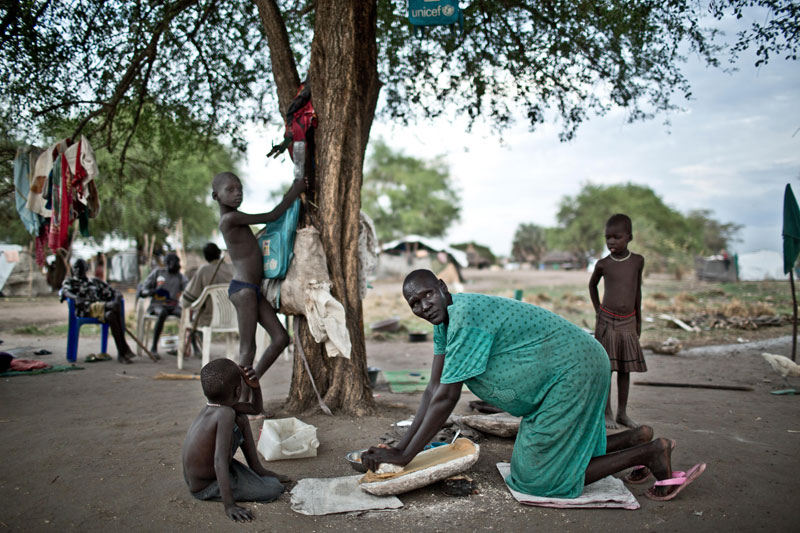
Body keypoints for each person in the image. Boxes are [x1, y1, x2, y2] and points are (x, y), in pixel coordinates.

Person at [361, 270, 705, 502]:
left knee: (538, 479)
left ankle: (651, 452)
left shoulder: (464, 315)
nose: (424, 307)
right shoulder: (445, 322)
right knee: (553, 455)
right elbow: (433, 389)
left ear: (442, 287)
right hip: (561, 377)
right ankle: (635, 437)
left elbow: (447, 397)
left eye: (427, 296)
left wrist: (405, 456)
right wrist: (401, 448)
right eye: (415, 304)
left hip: (575, 370)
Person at [212, 172, 304, 401]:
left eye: (240, 188)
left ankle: (251, 381)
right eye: (230, 189)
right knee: (247, 349)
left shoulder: (234, 218)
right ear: (216, 195)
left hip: (252, 290)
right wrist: (296, 189)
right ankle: (240, 402)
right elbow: (272, 216)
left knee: (281, 338)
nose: (237, 193)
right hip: (243, 290)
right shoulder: (229, 220)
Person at [182, 359, 288, 522]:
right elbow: (219, 461)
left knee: (242, 419)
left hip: (200, 476)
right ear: (238, 390)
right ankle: (251, 481)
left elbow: (255, 409)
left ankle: (258, 470)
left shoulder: (216, 407)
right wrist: (229, 505)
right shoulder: (225, 414)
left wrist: (256, 388)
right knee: (274, 488)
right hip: (206, 486)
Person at [588, 214, 646, 429]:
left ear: (629, 237)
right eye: (608, 237)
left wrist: (638, 321)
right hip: (607, 322)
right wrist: (598, 311)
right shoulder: (603, 264)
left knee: (625, 369)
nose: (611, 241)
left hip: (628, 322)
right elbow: (592, 286)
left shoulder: (637, 261)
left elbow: (637, 291)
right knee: (608, 368)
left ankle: (622, 413)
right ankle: (607, 412)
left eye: (617, 237)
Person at [60, 259, 135, 364]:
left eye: (80, 267)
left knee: (111, 315)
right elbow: (65, 292)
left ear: (86, 268)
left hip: (102, 309)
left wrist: (118, 296)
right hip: (86, 310)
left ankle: (121, 353)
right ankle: (124, 350)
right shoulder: (70, 281)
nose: (77, 269)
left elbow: (112, 291)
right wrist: (76, 297)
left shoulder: (95, 281)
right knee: (113, 307)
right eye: (75, 267)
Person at [180, 243, 234, 355]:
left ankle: (200, 349)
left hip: (209, 319)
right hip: (233, 319)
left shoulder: (204, 270)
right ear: (219, 253)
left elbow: (188, 298)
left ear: (205, 257)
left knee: (193, 318)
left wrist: (184, 303)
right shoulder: (233, 269)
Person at [267, 79, 316, 201]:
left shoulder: (300, 116)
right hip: (298, 137)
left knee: (301, 168)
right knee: (301, 168)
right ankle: (304, 188)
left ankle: (304, 186)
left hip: (300, 136)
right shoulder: (296, 118)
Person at [138, 253, 188, 359]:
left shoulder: (180, 277)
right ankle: (154, 348)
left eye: (177, 264)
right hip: (157, 305)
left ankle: (190, 347)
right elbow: (144, 288)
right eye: (174, 263)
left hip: (173, 306)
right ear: (167, 263)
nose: (176, 266)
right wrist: (149, 292)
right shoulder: (158, 273)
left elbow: (189, 288)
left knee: (185, 315)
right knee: (162, 313)